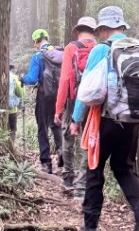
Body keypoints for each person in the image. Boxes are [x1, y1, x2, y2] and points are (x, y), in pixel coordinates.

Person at [71, 6, 139, 231]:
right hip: (132, 120)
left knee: (94, 167)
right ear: (122, 26)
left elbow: (87, 89)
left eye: (100, 30)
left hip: (105, 119)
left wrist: (77, 119)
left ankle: (90, 224)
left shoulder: (102, 50)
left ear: (104, 29)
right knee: (125, 167)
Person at [54, 16, 97, 198]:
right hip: (95, 100)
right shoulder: (100, 48)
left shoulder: (71, 48)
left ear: (78, 31)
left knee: (68, 137)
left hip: (74, 97)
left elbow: (65, 80)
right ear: (93, 31)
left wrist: (58, 109)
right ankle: (83, 184)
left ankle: (68, 178)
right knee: (90, 138)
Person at [21, 29, 63, 173]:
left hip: (44, 95)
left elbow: (32, 79)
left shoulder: (38, 56)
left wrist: (22, 78)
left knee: (42, 128)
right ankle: (63, 155)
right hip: (59, 96)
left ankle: (46, 163)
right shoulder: (59, 53)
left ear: (36, 41)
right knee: (57, 125)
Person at [8, 63, 24, 158]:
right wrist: (22, 81)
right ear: (13, 69)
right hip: (12, 109)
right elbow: (20, 93)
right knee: (12, 129)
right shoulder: (14, 77)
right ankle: (11, 148)